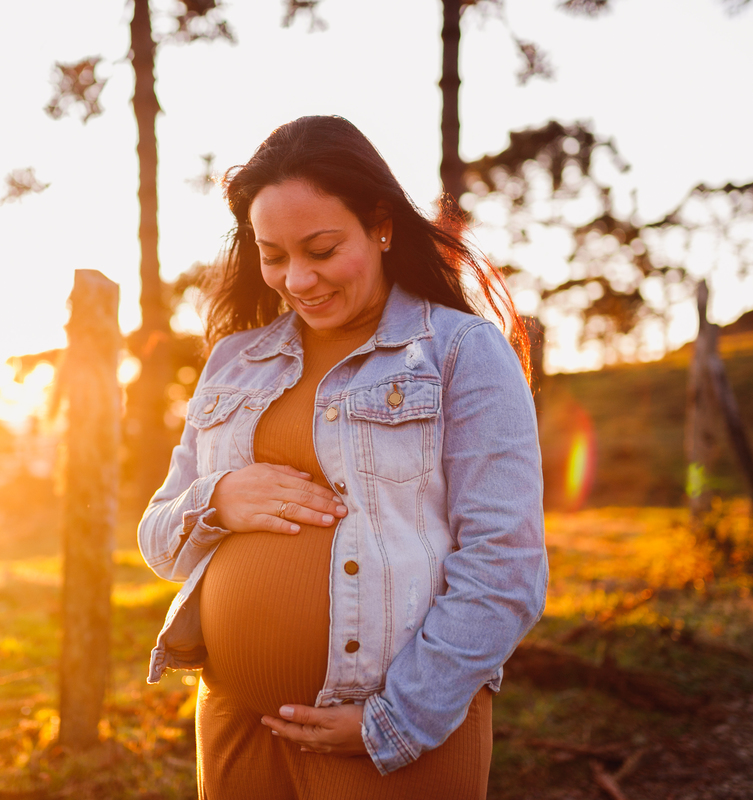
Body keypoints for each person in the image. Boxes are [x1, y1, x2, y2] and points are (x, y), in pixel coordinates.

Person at [138, 115, 547, 799]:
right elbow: (160, 538)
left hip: (390, 734)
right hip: (237, 721)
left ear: (380, 225)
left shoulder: (460, 352)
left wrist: (394, 721)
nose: (297, 279)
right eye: (272, 254)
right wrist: (220, 498)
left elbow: (506, 564)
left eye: (322, 250)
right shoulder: (234, 362)